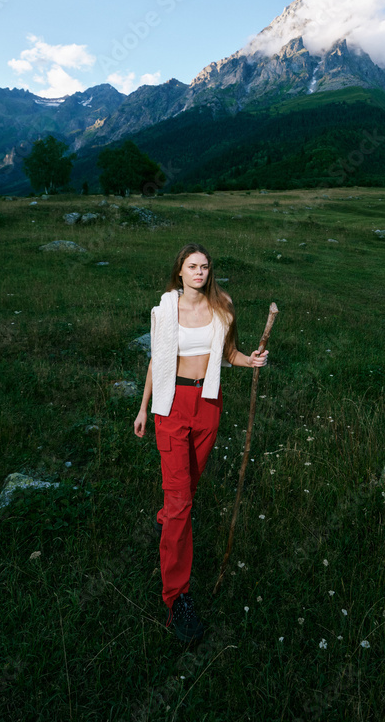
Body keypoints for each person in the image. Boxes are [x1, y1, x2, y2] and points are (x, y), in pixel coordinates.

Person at [134, 243, 268, 642]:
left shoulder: (222, 305)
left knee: (186, 490)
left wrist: (250, 360)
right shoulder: (165, 310)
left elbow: (228, 353)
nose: (199, 272)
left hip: (207, 404)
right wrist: (143, 408)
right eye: (192, 266)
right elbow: (156, 360)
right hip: (171, 404)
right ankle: (177, 597)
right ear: (179, 271)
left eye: (205, 266)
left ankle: (166, 521)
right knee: (181, 504)